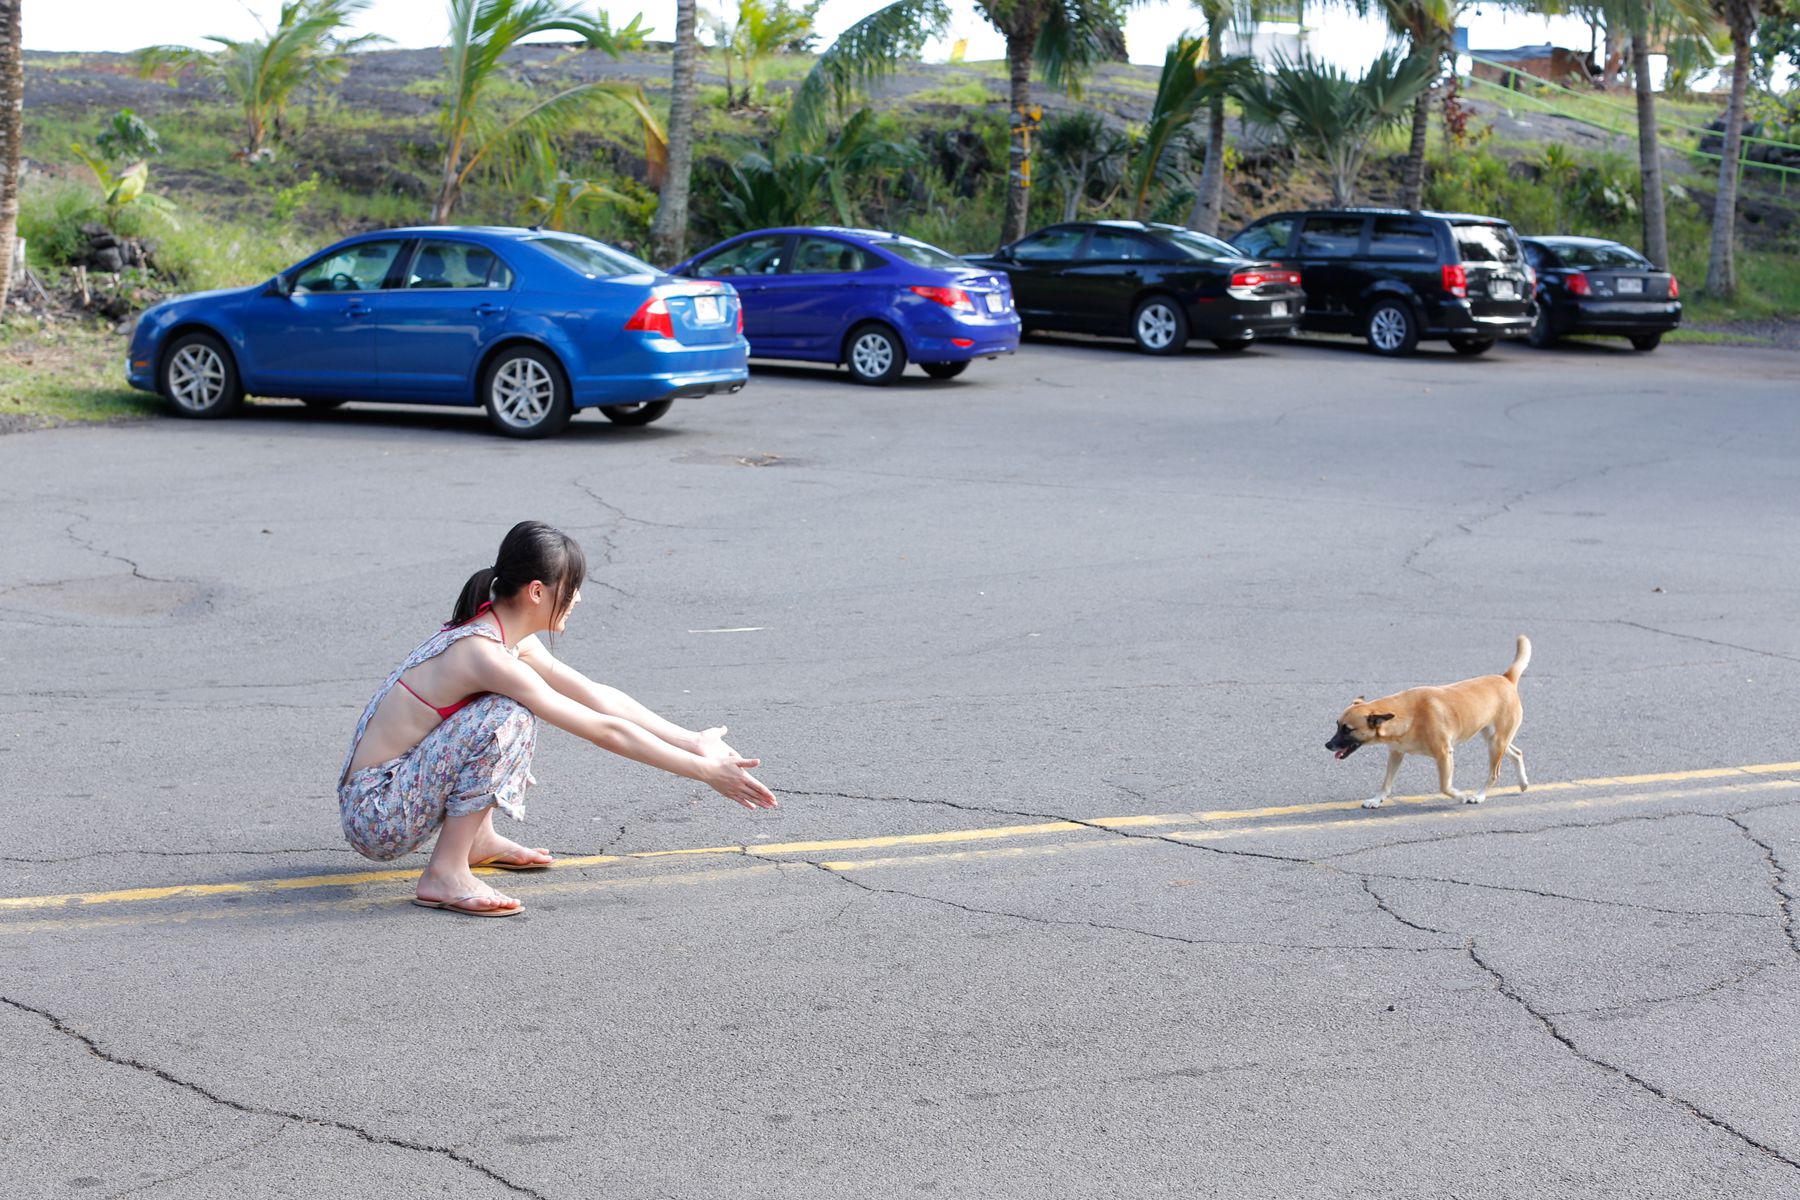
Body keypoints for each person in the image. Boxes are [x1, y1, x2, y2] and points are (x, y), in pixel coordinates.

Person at [338, 520, 776, 917]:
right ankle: (445, 873)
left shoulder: (502, 635)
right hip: (378, 814)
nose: (579, 598)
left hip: (392, 794)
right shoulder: (485, 656)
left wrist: (692, 740)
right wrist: (704, 772)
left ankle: (477, 842)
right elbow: (603, 730)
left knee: (500, 713)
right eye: (573, 586)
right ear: (536, 591)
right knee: (506, 718)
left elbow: (600, 698)